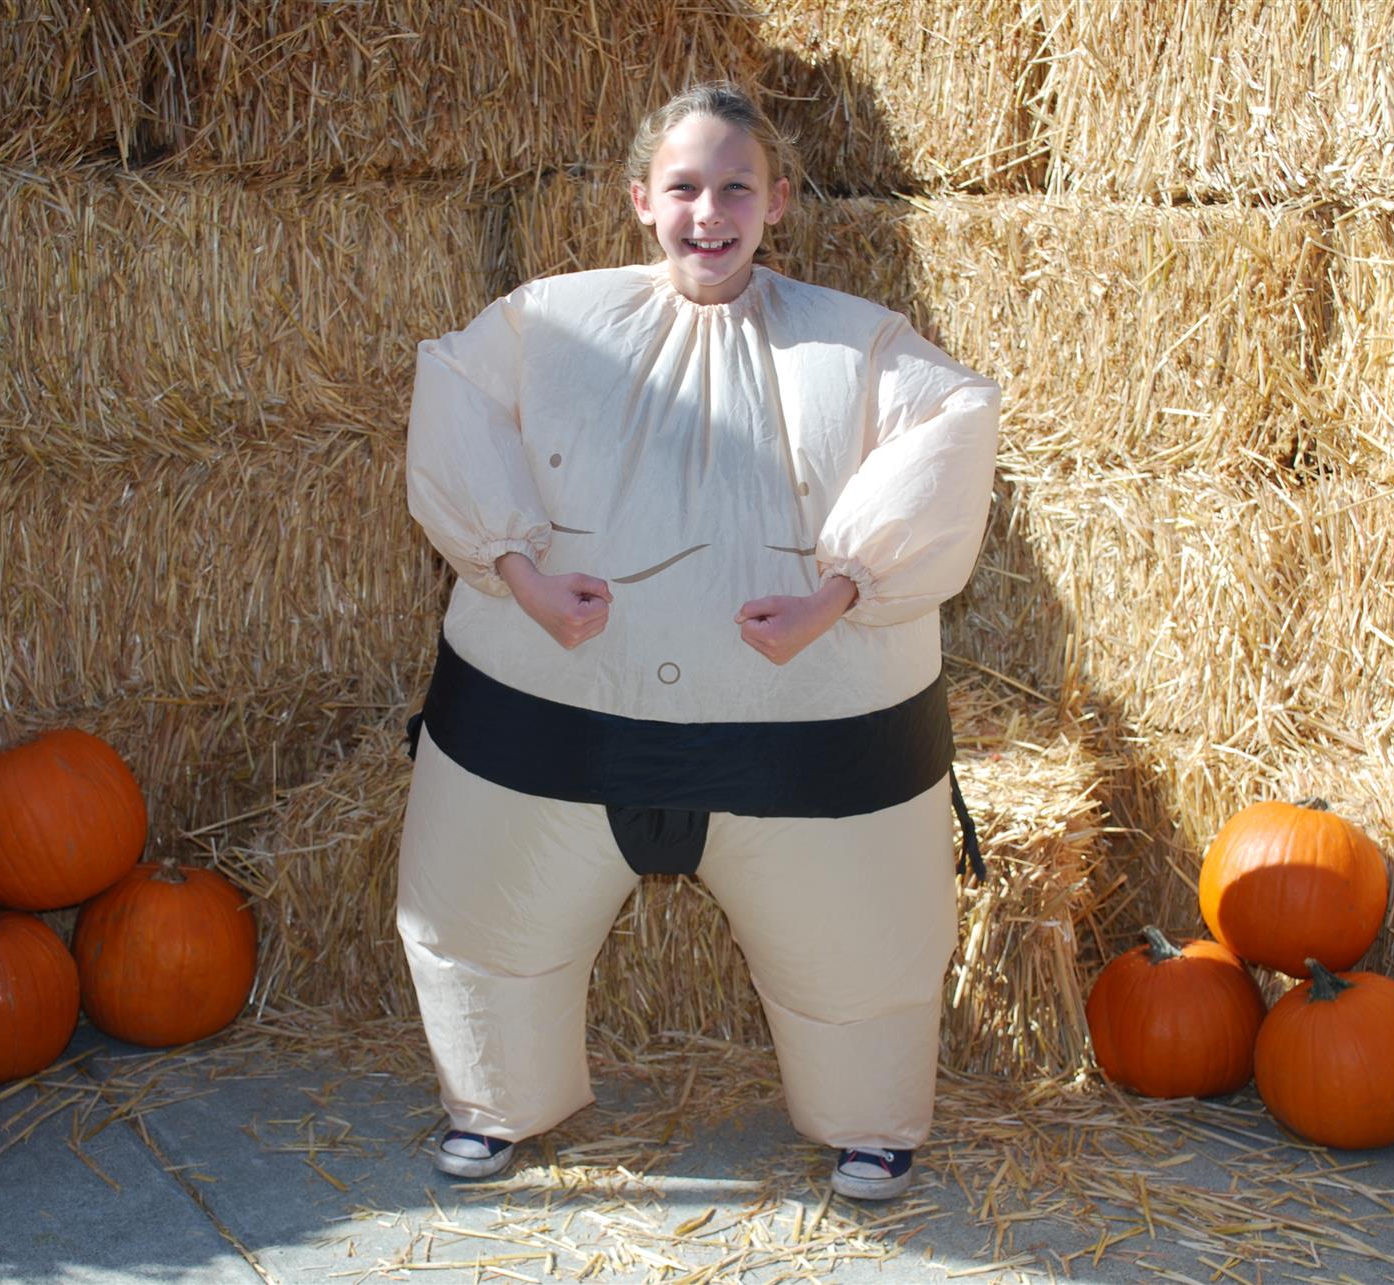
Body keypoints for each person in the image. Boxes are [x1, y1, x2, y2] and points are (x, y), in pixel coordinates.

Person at [399, 81, 1000, 1201]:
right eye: (684, 187)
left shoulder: (852, 343)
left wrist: (838, 592)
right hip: (547, 735)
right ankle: (495, 1098)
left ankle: (868, 1117)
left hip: (807, 748)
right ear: (641, 199)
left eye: (735, 187)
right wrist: (519, 572)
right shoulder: (552, 323)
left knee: (862, 957)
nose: (708, 212)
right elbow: (454, 390)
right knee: (485, 922)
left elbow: (955, 418)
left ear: (776, 202)